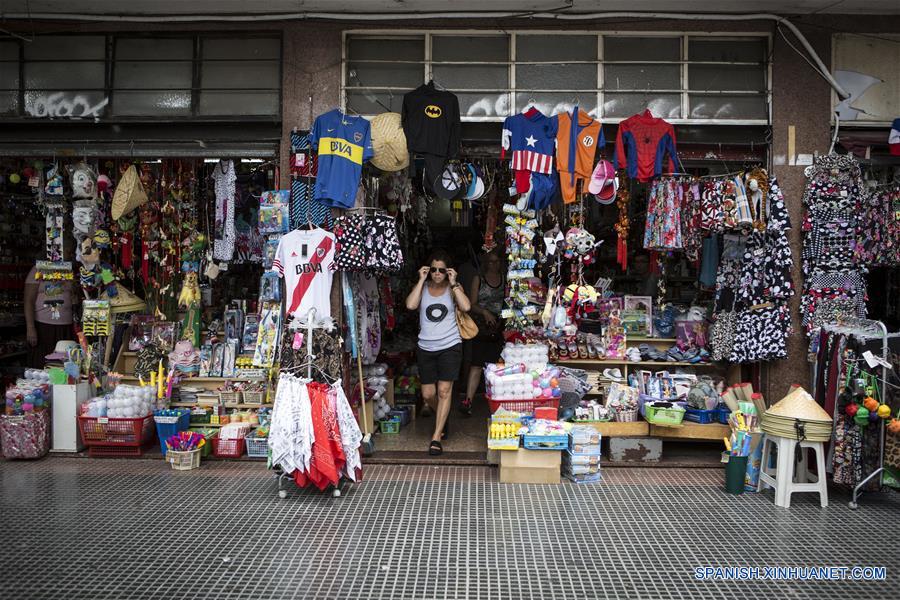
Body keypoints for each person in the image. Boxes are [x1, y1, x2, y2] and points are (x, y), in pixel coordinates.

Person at [405, 249, 471, 456]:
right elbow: (410, 305)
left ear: (448, 271)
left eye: (441, 270)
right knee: (428, 394)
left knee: (444, 391)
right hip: (426, 347)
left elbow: (467, 306)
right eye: (433, 269)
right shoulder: (422, 287)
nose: (437, 273)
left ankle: (436, 437)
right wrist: (420, 279)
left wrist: (454, 283)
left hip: (450, 346)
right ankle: (443, 417)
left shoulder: (453, 289)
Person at [460, 250, 506, 415]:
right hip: (481, 326)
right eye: (491, 261)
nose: (494, 264)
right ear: (486, 263)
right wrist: (485, 313)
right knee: (477, 364)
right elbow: (471, 304)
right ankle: (469, 400)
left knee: (499, 365)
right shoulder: (478, 279)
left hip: (500, 326)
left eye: (496, 261)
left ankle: (499, 402)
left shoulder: (505, 280)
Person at [24, 264, 76, 368]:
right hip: (44, 326)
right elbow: (28, 300)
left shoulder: (68, 269)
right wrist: (30, 327)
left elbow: (74, 293)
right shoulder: (38, 269)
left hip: (66, 325)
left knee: (65, 362)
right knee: (43, 362)